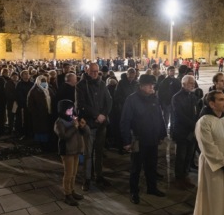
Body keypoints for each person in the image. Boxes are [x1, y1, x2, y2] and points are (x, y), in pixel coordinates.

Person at [120, 74, 167, 205]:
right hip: (138, 140)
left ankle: (152, 188)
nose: (152, 87)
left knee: (151, 165)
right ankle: (134, 191)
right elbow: (125, 121)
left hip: (152, 138)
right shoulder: (132, 100)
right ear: (141, 86)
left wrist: (162, 133)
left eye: (153, 85)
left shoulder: (154, 98)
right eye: (149, 85)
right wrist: (127, 141)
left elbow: (159, 116)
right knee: (136, 167)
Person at [75, 63, 112, 191]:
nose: (95, 74)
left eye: (97, 71)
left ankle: (99, 175)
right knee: (88, 153)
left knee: (99, 152)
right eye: (92, 71)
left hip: (101, 124)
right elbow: (81, 104)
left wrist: (103, 115)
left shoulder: (102, 84)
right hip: (89, 124)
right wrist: (96, 115)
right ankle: (87, 179)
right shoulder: (81, 85)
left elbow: (109, 101)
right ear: (87, 71)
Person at [54, 99, 90, 206]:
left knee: (74, 173)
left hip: (76, 150)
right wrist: (74, 127)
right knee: (68, 173)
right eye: (68, 110)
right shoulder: (59, 122)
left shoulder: (73, 119)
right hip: (67, 151)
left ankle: (72, 190)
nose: (71, 111)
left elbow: (85, 132)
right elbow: (63, 136)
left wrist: (83, 126)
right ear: (62, 110)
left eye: (72, 109)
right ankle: (67, 194)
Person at [171, 75, 198, 189]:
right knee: (181, 156)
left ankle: (185, 175)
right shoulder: (177, 97)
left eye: (193, 83)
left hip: (192, 131)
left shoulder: (192, 96)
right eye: (191, 83)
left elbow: (196, 111)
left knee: (189, 155)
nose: (193, 85)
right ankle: (179, 178)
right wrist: (194, 124)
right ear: (184, 84)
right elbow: (179, 115)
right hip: (181, 131)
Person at [157, 66, 181, 132]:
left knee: (173, 118)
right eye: (171, 71)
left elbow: (179, 91)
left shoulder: (177, 81)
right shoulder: (164, 81)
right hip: (166, 103)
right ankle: (165, 132)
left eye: (173, 70)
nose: (172, 72)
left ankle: (172, 132)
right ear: (168, 72)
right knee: (166, 118)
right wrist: (162, 102)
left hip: (174, 103)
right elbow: (160, 93)